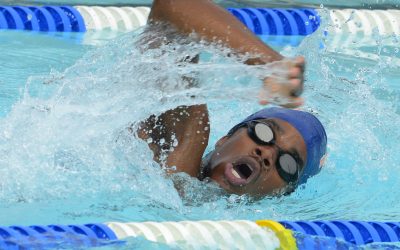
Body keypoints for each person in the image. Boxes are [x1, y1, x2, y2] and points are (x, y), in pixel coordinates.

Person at [135, 0, 327, 197]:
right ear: (224, 139)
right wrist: (269, 65)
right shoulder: (180, 144)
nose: (267, 154)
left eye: (287, 163)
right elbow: (173, 7)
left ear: (282, 192)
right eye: (263, 133)